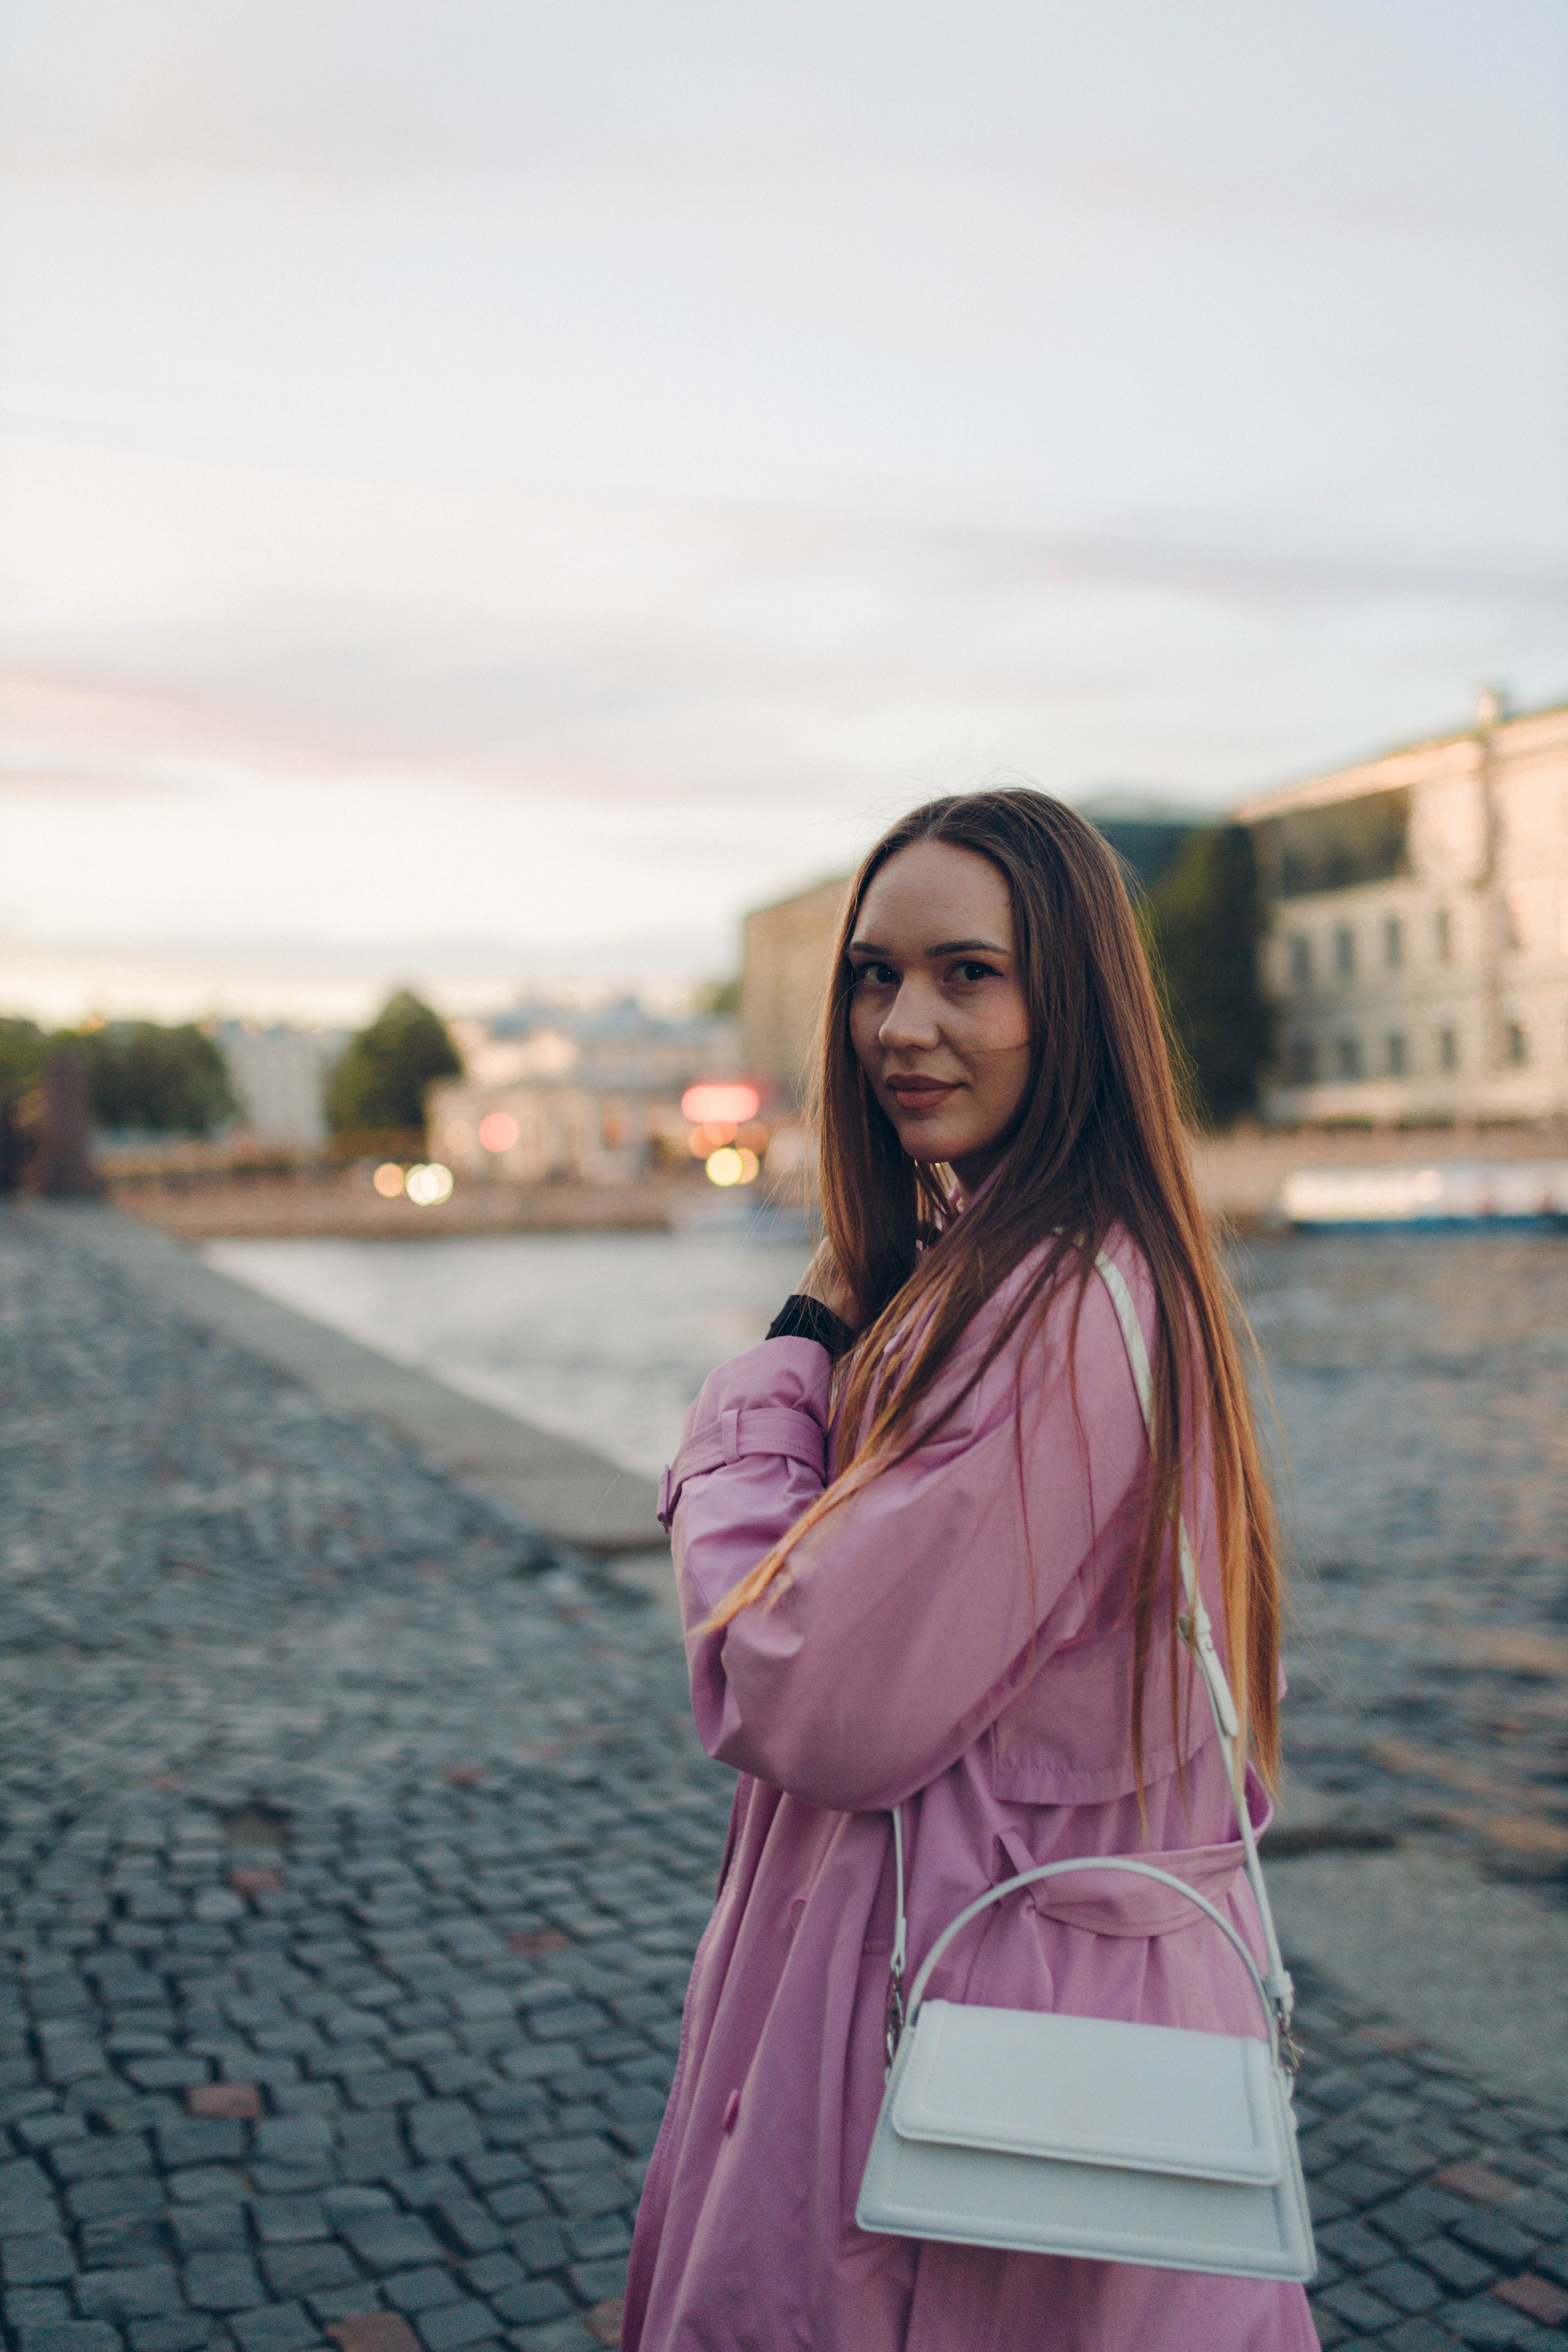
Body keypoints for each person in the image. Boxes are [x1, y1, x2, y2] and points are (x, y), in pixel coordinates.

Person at [622, 788, 1316, 2350]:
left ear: (1068, 1001)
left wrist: (776, 1375)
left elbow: (798, 1688)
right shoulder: (1017, 1267)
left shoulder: (1052, 1303)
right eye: (872, 974)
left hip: (967, 2047)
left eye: (966, 975)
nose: (900, 1024)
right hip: (986, 1998)